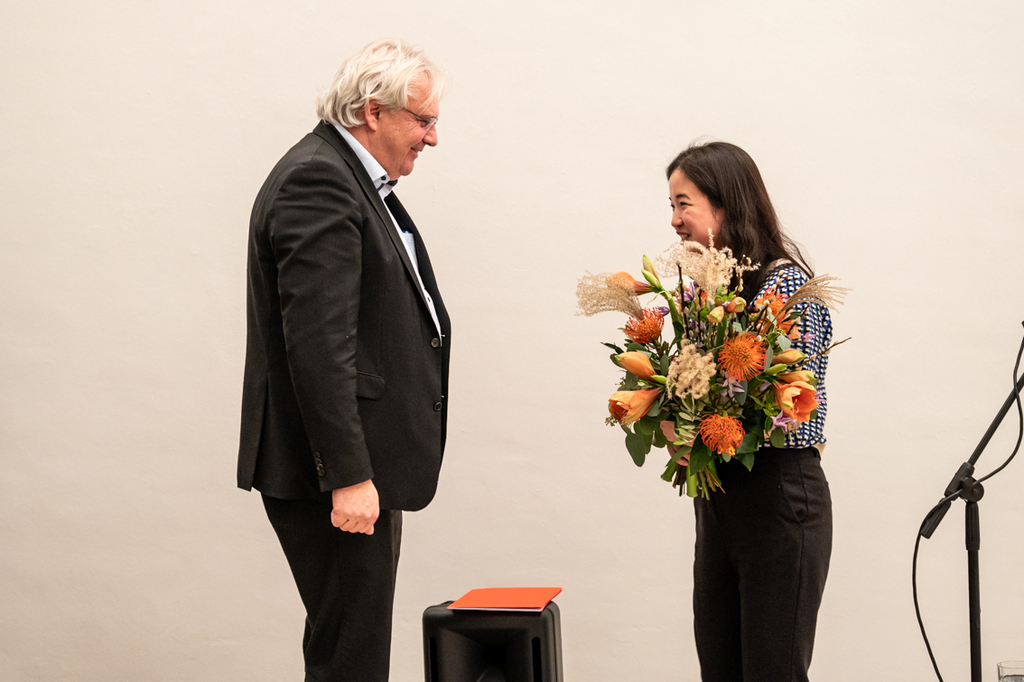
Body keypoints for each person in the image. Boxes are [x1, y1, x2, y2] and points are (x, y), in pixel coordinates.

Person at [237, 38, 452, 681]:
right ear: (372, 111)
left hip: (356, 470)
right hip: (335, 475)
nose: (432, 137)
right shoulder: (319, 181)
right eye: (423, 120)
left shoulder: (351, 178)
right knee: (351, 661)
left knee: (349, 652)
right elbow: (318, 345)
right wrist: (349, 476)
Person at [666, 141, 833, 682]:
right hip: (720, 503)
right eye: (672, 205)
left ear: (726, 205)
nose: (674, 220)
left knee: (772, 672)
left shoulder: (789, 287)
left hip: (779, 499)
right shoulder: (708, 292)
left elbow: (786, 407)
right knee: (719, 669)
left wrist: (698, 425)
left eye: (683, 204)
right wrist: (672, 417)